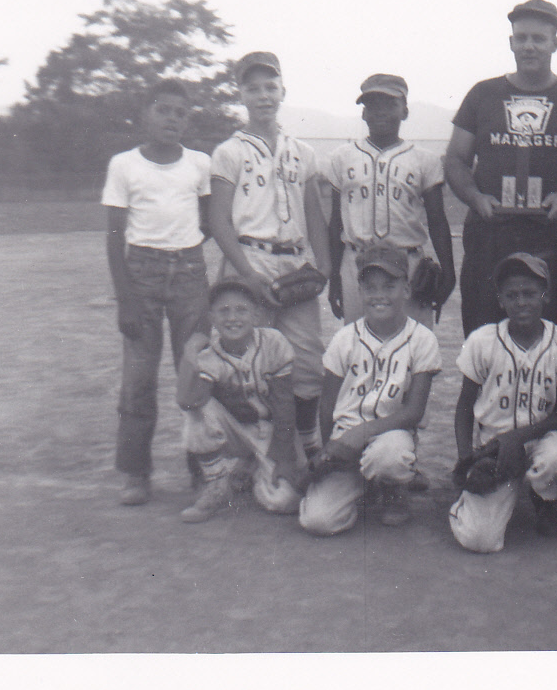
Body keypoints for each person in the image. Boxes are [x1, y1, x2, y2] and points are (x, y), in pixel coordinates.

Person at [445, 0, 557, 337]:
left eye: (539, 39)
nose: (529, 46)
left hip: (556, 236)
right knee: (483, 334)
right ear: (511, 42)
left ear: (555, 43)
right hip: (492, 234)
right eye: (521, 38)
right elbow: (455, 160)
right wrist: (475, 197)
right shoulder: (482, 94)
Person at [208, 51, 331, 468]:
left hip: (294, 263)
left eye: (270, 87)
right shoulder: (229, 151)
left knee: (307, 360)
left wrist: (324, 266)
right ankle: (249, 449)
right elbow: (219, 221)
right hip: (250, 257)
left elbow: (314, 214)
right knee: (246, 359)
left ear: (283, 91)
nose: (263, 95)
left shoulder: (303, 152)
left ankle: (307, 442)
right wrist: (246, 275)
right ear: (241, 95)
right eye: (253, 88)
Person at [101, 79, 211, 506]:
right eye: (164, 110)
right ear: (145, 114)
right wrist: (125, 298)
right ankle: (135, 472)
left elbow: (206, 220)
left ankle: (203, 468)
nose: (172, 119)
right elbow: (114, 236)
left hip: (189, 272)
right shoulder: (124, 165)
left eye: (181, 113)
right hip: (141, 274)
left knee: (196, 370)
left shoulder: (199, 163)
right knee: (139, 377)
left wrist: (183, 253)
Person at [448, 253, 557, 553]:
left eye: (529, 293)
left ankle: (547, 501)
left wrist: (517, 438)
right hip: (495, 446)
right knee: (480, 540)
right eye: (512, 295)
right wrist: (467, 460)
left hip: (545, 438)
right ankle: (471, 503)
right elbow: (464, 406)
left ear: (545, 295)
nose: (521, 302)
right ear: (500, 300)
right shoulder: (482, 341)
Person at [299, 242, 442, 535]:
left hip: (391, 435)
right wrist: (331, 451)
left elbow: (414, 411)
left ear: (406, 289)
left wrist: (361, 434)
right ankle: (360, 485)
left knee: (390, 456)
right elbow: (327, 406)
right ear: (360, 291)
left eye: (389, 286)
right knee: (318, 521)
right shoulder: (345, 338)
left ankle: (392, 488)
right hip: (345, 437)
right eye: (370, 287)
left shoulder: (422, 339)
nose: (379, 295)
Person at [324, 73, 456, 329]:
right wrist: (335, 279)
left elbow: (437, 220)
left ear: (404, 111)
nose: (381, 111)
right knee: (360, 343)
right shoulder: (342, 157)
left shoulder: (423, 159)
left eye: (390, 104)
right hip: (356, 262)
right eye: (372, 105)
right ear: (363, 114)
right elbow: (336, 222)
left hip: (409, 263)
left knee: (413, 343)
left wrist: (448, 274)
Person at [174, 278, 303, 523]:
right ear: (212, 318)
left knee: (284, 501)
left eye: (241, 310)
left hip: (271, 430)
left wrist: (285, 458)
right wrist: (190, 353)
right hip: (234, 430)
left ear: (256, 315)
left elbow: (285, 404)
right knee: (197, 411)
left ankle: (251, 467)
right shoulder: (210, 356)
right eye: (224, 311)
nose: (232, 318)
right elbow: (186, 401)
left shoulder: (273, 342)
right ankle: (217, 483)